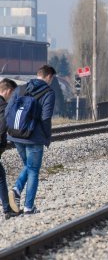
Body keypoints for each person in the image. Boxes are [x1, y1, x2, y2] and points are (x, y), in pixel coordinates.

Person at [6, 65, 56, 215]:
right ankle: (27, 206)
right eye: (51, 79)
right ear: (49, 77)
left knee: (28, 166)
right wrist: (47, 136)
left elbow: (8, 111)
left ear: (37, 74)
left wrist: (10, 131)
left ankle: (16, 191)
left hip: (15, 135)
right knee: (33, 169)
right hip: (34, 138)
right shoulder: (49, 92)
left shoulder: (20, 88)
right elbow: (46, 118)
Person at [0, 78, 19, 219]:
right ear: (8, 91)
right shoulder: (3, 108)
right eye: (12, 95)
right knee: (0, 177)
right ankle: (7, 210)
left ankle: (7, 209)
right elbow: (1, 129)